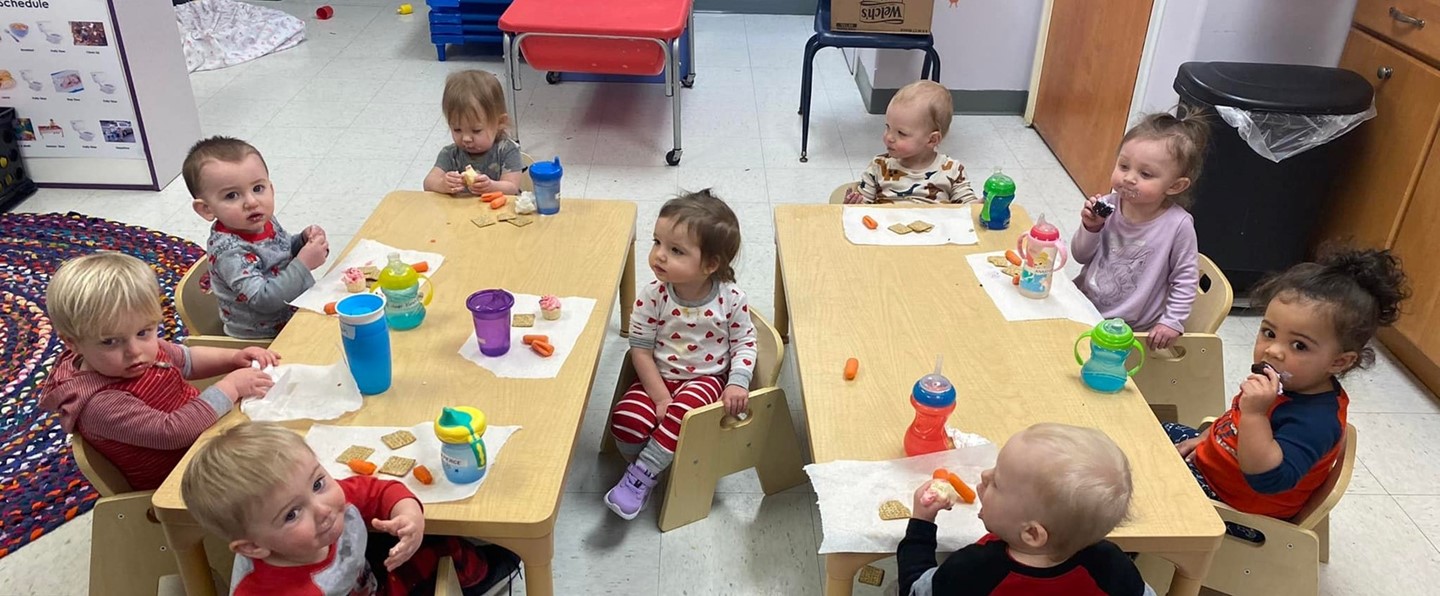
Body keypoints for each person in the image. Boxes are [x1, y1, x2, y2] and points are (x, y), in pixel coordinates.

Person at [1167, 247, 1407, 528]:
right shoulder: (1282, 381)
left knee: (1145, 490)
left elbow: (1268, 479)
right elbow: (1235, 420)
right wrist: (1207, 440)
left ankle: (1125, 557)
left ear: (1339, 361)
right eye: (1269, 332)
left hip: (1237, 510)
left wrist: (1256, 415)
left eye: (1299, 345)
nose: (1273, 351)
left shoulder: (1316, 421)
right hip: (1215, 469)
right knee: (1147, 433)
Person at [181, 422, 520, 595]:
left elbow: (376, 489)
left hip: (367, 576)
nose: (325, 508)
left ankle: (479, 573)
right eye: (292, 514)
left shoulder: (322, 500)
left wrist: (407, 512)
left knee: (440, 541)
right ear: (254, 547)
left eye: (317, 483)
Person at [39, 251, 277, 490]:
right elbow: (172, 431)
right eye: (110, 342)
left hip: (208, 440)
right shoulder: (101, 403)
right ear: (72, 342)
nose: (134, 351)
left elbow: (186, 359)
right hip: (186, 478)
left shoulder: (138, 352)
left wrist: (234, 358)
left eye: (143, 332)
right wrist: (231, 386)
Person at [605, 189, 757, 520]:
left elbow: (745, 341)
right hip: (658, 378)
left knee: (683, 413)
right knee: (626, 421)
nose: (659, 255)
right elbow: (640, 349)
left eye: (675, 250)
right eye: (656, 242)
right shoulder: (653, 295)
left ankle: (639, 477)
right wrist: (660, 397)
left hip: (706, 379)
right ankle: (652, 467)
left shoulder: (730, 298)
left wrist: (737, 383)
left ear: (710, 264)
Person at [898, 423, 1151, 595]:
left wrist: (922, 522)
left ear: (1031, 534)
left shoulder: (973, 569)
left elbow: (915, 589)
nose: (985, 475)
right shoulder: (1112, 565)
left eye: (997, 483)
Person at [1072, 112, 1209, 350]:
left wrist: (1172, 321)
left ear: (1176, 186)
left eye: (1145, 174)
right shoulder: (1108, 205)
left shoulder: (1178, 225)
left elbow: (1185, 279)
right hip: (1084, 307)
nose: (1129, 178)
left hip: (1130, 329)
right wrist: (1091, 228)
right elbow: (1079, 256)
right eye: (1123, 166)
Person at [184, 136, 328, 339]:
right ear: (206, 209)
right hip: (264, 338)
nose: (251, 202)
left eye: (258, 188)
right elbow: (264, 300)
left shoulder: (260, 220)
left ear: (271, 188)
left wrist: (303, 242)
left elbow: (280, 253)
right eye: (232, 195)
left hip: (296, 310)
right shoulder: (229, 252)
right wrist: (304, 263)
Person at [845, 80, 977, 204]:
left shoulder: (952, 170)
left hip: (935, 227)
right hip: (884, 227)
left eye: (901, 133)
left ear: (932, 139)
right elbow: (861, 209)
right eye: (888, 127)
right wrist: (853, 204)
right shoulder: (879, 167)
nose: (889, 137)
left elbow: (969, 210)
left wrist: (986, 204)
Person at [423, 70, 525, 196]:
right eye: (457, 129)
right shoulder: (450, 154)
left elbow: (512, 187)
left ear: (500, 123)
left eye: (476, 130)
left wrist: (491, 186)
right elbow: (428, 183)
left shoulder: (507, 151)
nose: (466, 138)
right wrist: (442, 184)